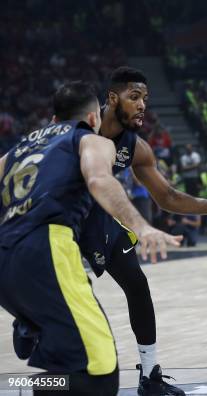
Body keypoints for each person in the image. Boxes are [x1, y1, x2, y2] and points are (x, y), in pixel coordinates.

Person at [0, 81, 180, 395]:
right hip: (45, 247)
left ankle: (32, 368)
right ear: (95, 117)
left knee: (65, 369)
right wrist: (141, 225)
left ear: (54, 119)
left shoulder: (16, 150)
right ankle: (29, 383)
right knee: (99, 374)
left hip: (5, 255)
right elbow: (99, 179)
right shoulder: (91, 140)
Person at [74, 67, 207, 396]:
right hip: (63, 220)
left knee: (138, 286)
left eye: (145, 99)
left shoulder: (136, 147)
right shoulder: (79, 130)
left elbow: (167, 197)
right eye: (134, 97)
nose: (142, 105)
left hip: (101, 218)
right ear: (112, 98)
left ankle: (150, 375)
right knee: (76, 302)